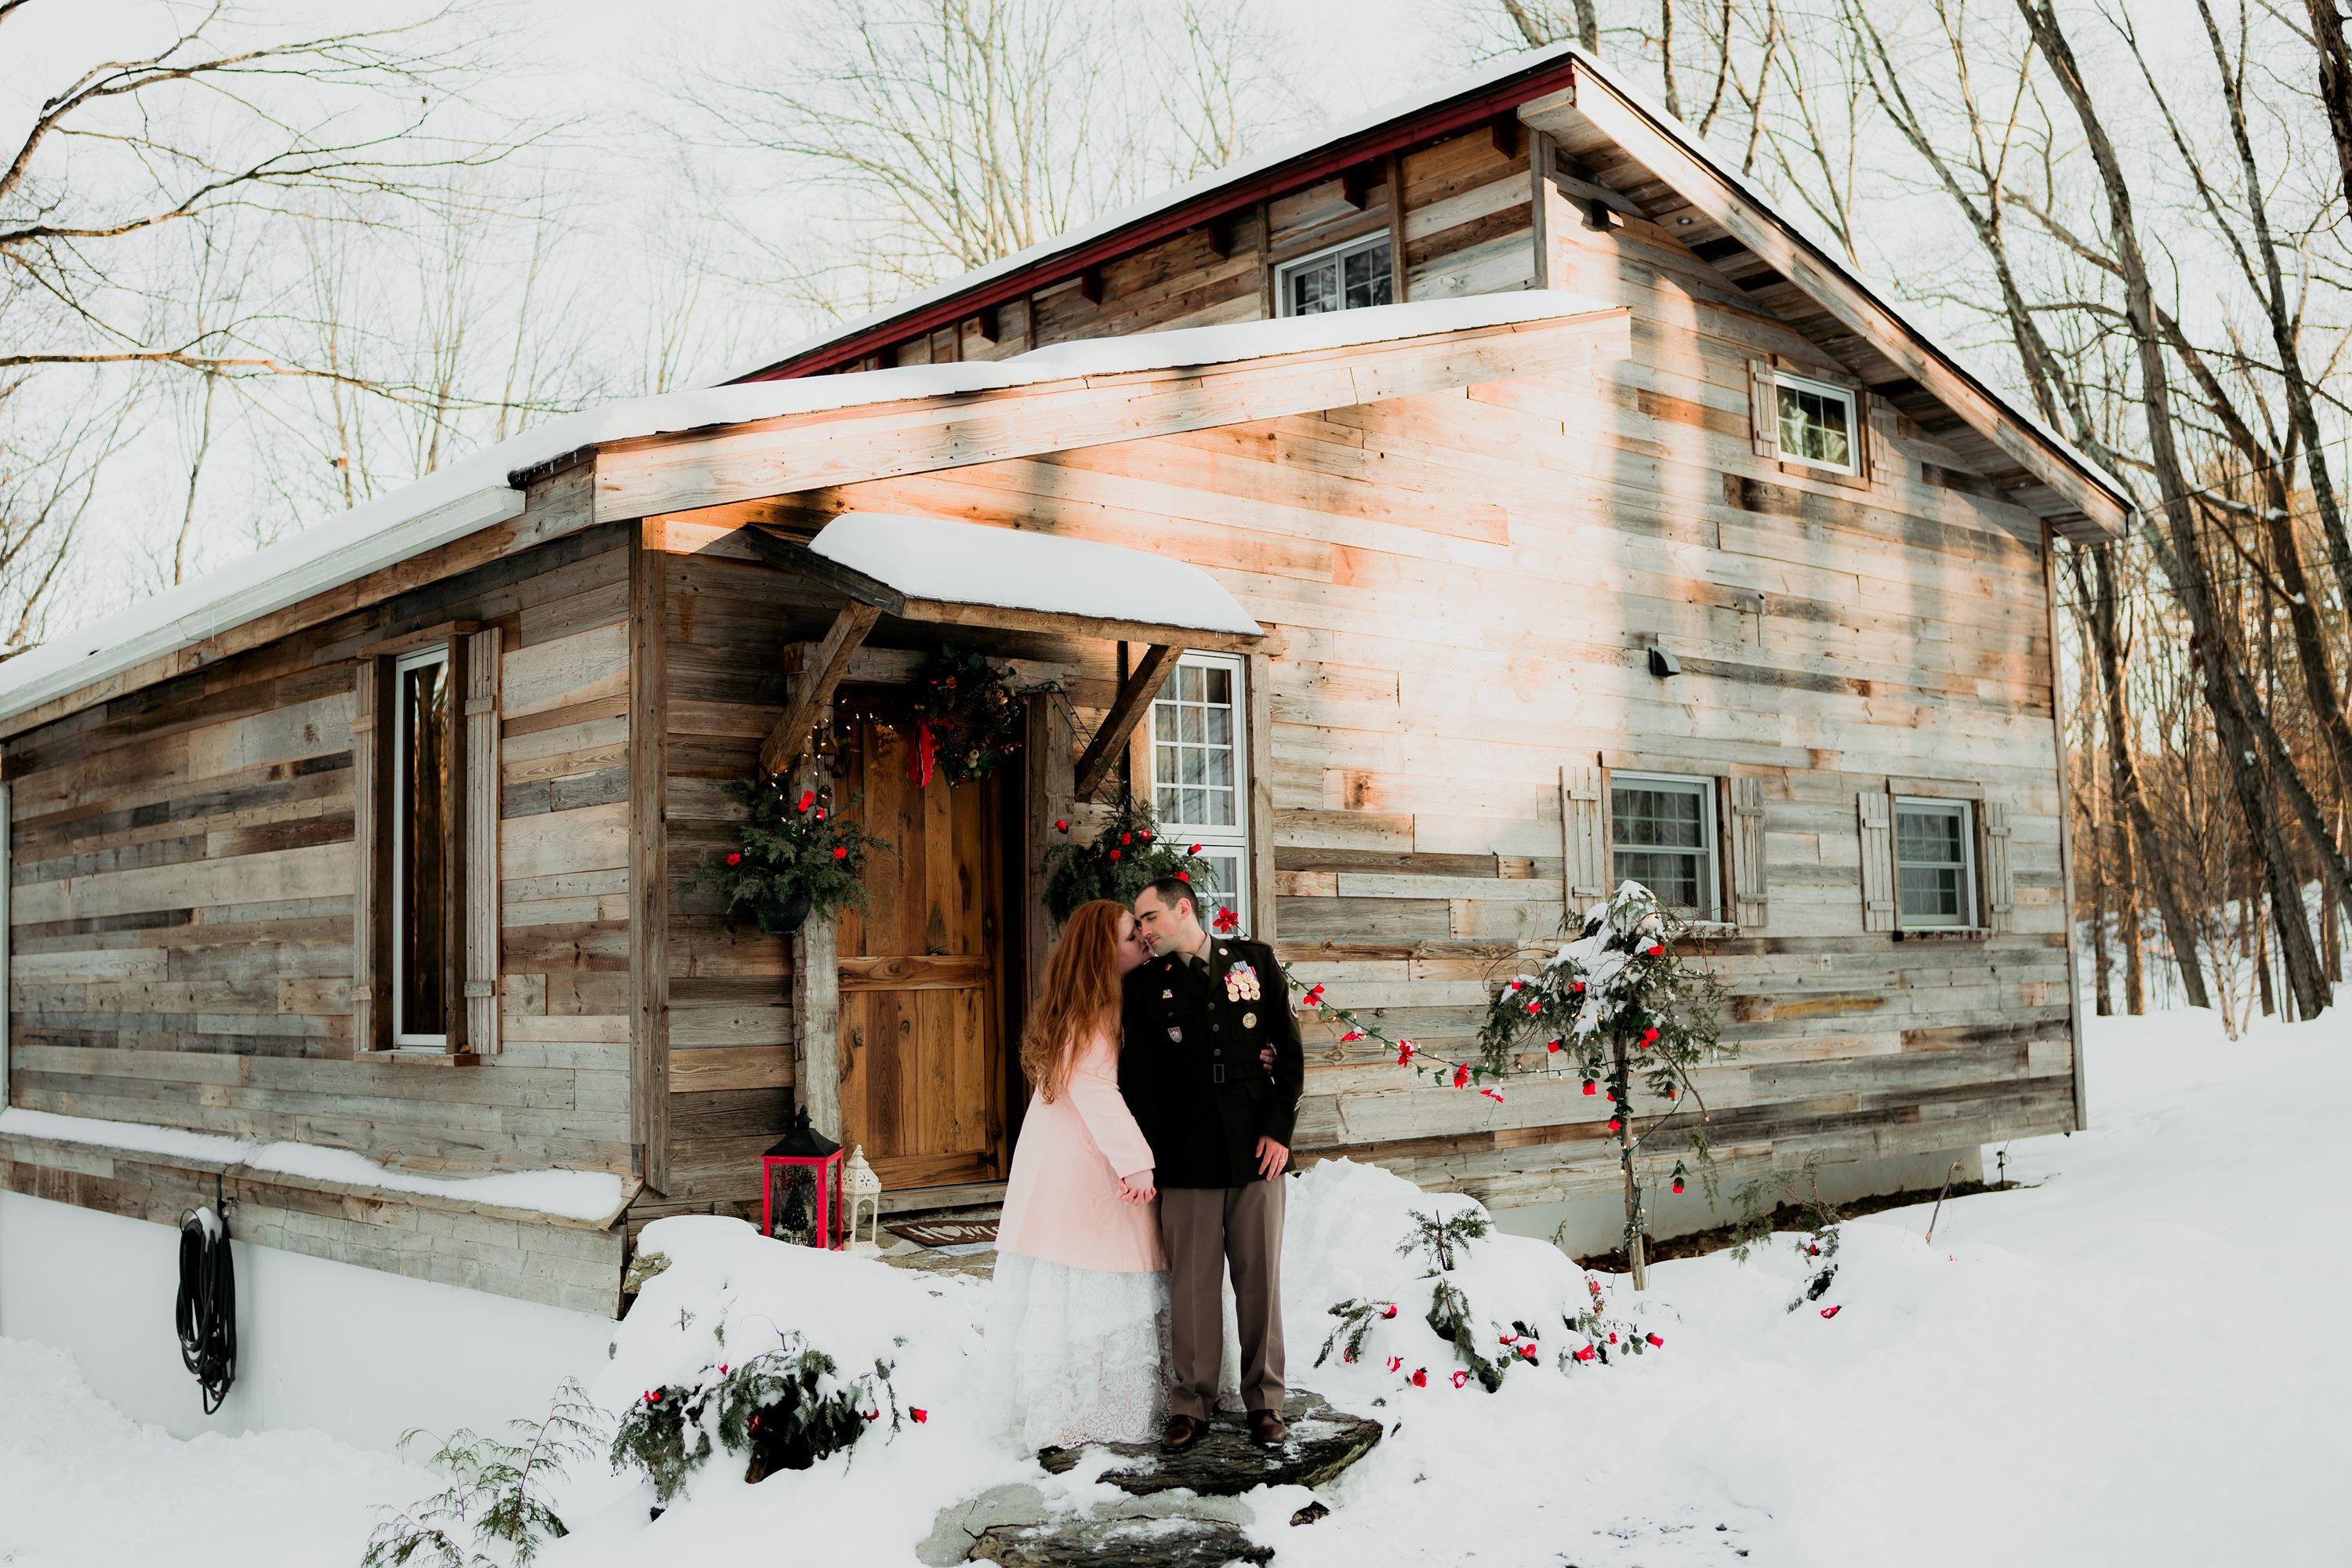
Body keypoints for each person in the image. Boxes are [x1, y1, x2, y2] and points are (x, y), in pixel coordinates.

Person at [1120, 877, 1304, 1452]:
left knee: (1260, 1284)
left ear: (1183, 909)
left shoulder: (1253, 961)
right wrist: (1151, 1161)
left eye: (1150, 918)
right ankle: (1191, 1406)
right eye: (1138, 923)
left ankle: (1265, 1405)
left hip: (1257, 1154)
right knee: (1192, 1288)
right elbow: (1140, 1084)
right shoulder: (1146, 987)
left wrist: (1279, 1130)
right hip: (1187, 1157)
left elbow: (1290, 1051)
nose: (1144, 931)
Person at [982, 898, 1168, 1453]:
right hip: (1084, 1162)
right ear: (1101, 950)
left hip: (1056, 1157)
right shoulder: (1094, 1013)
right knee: (1096, 1277)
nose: (1142, 941)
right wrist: (1136, 1161)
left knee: (1065, 1283)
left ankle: (1068, 1410)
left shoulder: (1078, 1002)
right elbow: (1095, 1090)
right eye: (1131, 935)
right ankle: (1088, 1414)